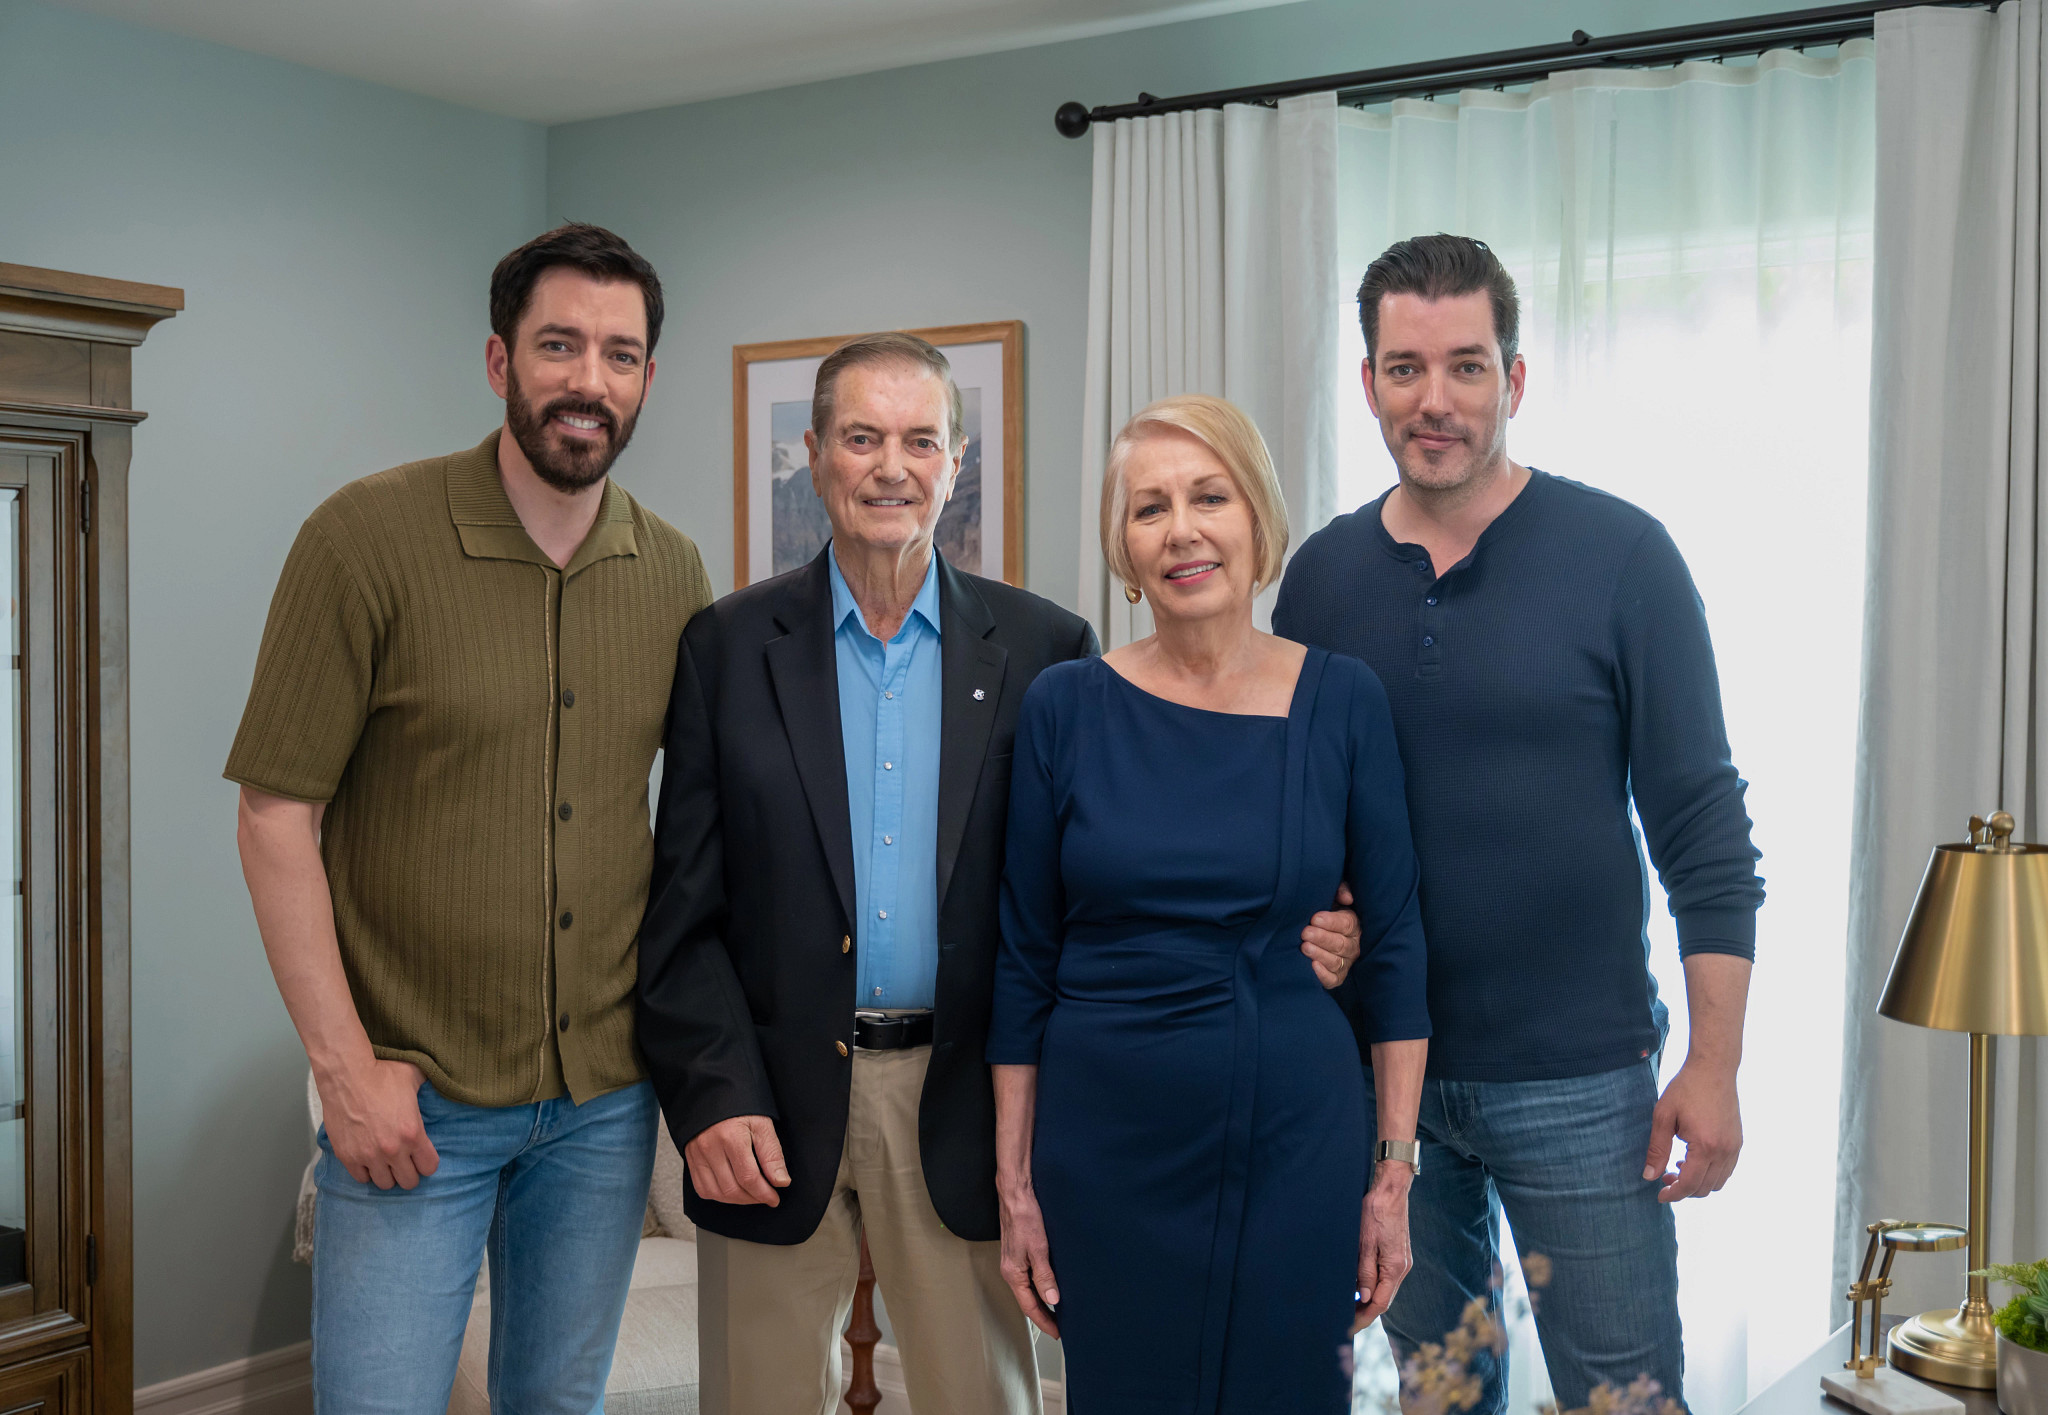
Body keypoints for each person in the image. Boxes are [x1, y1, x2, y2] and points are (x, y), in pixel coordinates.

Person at [636, 333, 1371, 1415]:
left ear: (955, 458)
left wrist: (1309, 917)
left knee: (984, 1399)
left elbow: (1122, 874)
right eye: (861, 438)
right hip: (771, 1102)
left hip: (965, 1094)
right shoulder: (727, 644)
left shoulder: (1043, 650)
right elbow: (680, 907)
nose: (891, 465)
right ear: (813, 454)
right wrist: (708, 1092)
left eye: (919, 439)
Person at [1273, 234, 1766, 1413]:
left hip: (1581, 1081)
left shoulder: (1620, 556)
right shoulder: (1319, 577)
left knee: (1624, 1396)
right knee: (1436, 1393)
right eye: (1403, 368)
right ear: (1368, 381)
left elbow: (1700, 823)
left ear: (1514, 378)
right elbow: (1288, 812)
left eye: (1463, 366)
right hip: (1382, 1074)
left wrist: (1714, 1062)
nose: (1432, 399)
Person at [227, 223, 711, 1413]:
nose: (586, 381)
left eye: (619, 353)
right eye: (558, 345)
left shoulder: (676, 574)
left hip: (602, 1105)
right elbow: (275, 813)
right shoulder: (363, 540)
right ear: (499, 362)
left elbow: (701, 843)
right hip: (412, 1105)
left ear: (649, 377)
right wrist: (345, 1073)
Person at [988, 393, 1431, 1415]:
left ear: (1255, 519)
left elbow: (1397, 941)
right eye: (1149, 507)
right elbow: (1022, 957)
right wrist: (1014, 1185)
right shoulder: (1063, 705)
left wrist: (1391, 1173)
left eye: (1208, 496)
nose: (1181, 528)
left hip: (1295, 1140)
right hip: (1103, 1150)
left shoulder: (1342, 699)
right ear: (1123, 543)